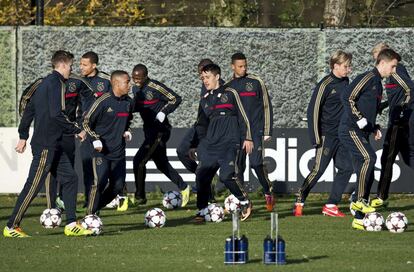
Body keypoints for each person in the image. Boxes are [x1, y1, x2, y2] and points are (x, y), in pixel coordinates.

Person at [3, 50, 92, 237]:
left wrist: (23, 135)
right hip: (46, 144)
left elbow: (29, 110)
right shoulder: (57, 84)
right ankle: (11, 227)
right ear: (63, 65)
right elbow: (56, 115)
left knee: (70, 178)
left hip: (54, 143)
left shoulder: (43, 84)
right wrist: (77, 130)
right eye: (71, 66)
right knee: (33, 186)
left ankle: (70, 224)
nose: (72, 70)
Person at [338, 48, 400, 230]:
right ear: (382, 63)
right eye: (393, 66)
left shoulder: (379, 84)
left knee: (368, 173)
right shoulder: (368, 78)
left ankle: (358, 219)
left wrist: (374, 127)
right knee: (369, 158)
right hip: (350, 129)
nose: (394, 71)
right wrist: (360, 119)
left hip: (362, 132)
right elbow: (347, 97)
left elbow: (369, 108)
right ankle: (358, 201)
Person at [293, 50, 354, 217]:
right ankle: (300, 198)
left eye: (349, 66)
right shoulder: (324, 85)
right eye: (346, 66)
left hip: (342, 134)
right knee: (318, 169)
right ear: (335, 66)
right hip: (326, 135)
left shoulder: (346, 81)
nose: (349, 70)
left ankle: (331, 204)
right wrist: (315, 137)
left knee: (346, 168)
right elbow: (312, 111)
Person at [194, 63, 254, 222]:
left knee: (227, 176)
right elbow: (200, 124)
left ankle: (244, 201)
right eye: (202, 78)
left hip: (230, 143)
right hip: (211, 145)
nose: (204, 81)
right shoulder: (205, 99)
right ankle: (201, 210)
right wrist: (196, 145)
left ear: (217, 76)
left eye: (207, 77)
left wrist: (247, 137)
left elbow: (243, 116)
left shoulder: (231, 93)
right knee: (201, 176)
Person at [131, 64, 190, 206]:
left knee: (139, 161)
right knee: (161, 164)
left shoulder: (156, 87)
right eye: (134, 78)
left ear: (146, 76)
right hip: (148, 131)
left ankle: (140, 196)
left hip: (160, 131)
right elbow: (138, 107)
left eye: (139, 78)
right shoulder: (134, 89)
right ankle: (184, 187)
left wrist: (164, 111)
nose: (136, 81)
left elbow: (176, 98)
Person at [225, 52, 275, 211]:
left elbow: (267, 106)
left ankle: (268, 190)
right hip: (237, 134)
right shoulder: (228, 86)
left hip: (255, 131)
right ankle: (242, 201)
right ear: (233, 67)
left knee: (256, 163)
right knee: (238, 168)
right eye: (240, 66)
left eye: (245, 65)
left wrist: (267, 130)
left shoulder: (256, 82)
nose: (243, 69)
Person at [369, 43, 414, 208]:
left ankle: (380, 197)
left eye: (378, 59)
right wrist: (384, 105)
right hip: (402, 120)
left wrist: (402, 110)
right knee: (409, 157)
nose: (378, 64)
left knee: (387, 157)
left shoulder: (396, 71)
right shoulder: (394, 72)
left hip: (400, 121)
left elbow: (411, 89)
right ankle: (381, 196)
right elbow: (401, 93)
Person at [82, 70, 133, 215]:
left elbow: (128, 119)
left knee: (117, 187)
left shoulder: (129, 102)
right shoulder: (102, 101)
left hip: (118, 152)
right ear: (116, 83)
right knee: (99, 183)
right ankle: (90, 216)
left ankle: (94, 209)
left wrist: (127, 129)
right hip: (101, 152)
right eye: (127, 82)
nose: (130, 85)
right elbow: (86, 122)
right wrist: (95, 138)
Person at [176, 58, 222, 201]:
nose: (203, 77)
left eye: (205, 74)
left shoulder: (221, 88)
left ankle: (208, 197)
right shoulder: (205, 85)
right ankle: (205, 178)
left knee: (205, 162)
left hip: (209, 131)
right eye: (200, 74)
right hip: (198, 127)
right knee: (182, 151)